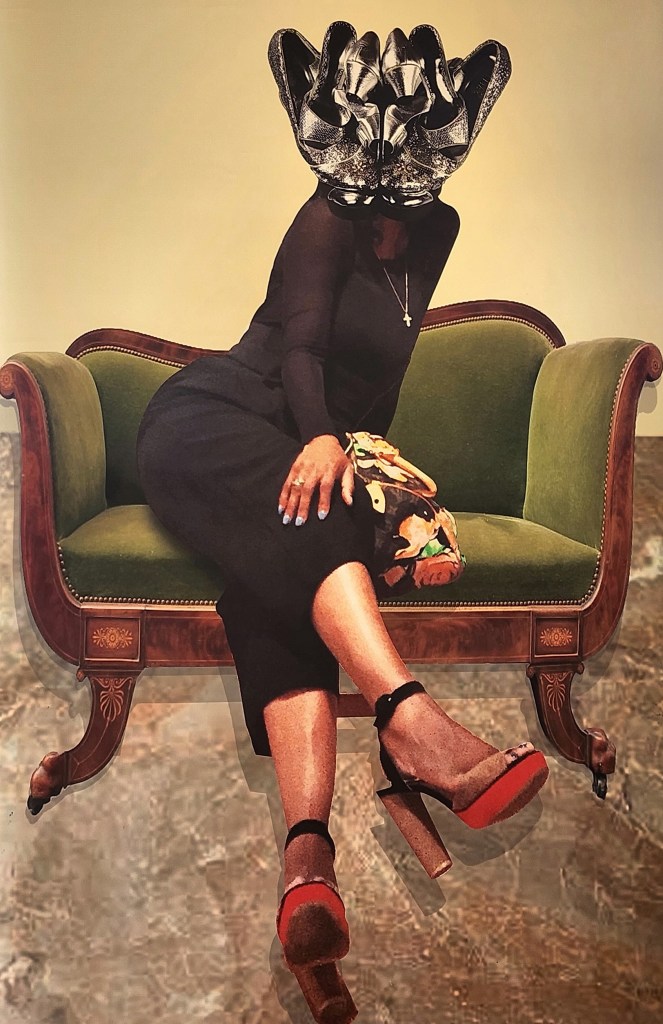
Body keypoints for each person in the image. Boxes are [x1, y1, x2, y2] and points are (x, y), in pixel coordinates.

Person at [135, 21, 548, 1019]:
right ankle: (411, 724)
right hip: (209, 421)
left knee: (287, 567)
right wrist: (325, 438)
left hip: (304, 456)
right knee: (316, 505)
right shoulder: (323, 216)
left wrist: (376, 469)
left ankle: (306, 862)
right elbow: (305, 349)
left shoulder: (438, 229)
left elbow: (383, 370)